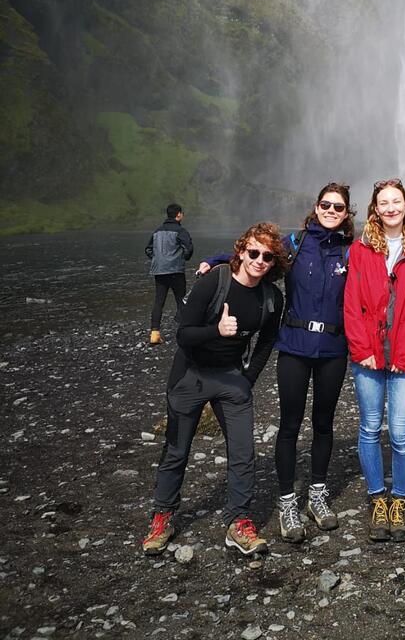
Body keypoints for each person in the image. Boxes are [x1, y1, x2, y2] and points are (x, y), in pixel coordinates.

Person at [197, 184, 354, 543]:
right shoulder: (294, 245)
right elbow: (254, 255)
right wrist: (219, 259)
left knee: (324, 423)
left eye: (339, 207)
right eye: (326, 204)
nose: (331, 210)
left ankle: (316, 494)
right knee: (289, 425)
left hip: (333, 347)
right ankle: (287, 501)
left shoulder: (351, 250)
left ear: (347, 214)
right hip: (295, 347)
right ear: (316, 207)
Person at [141, 223, 286, 557]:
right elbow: (183, 334)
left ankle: (238, 522)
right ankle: (163, 517)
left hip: (231, 378)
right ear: (241, 250)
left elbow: (266, 342)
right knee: (177, 449)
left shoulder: (271, 298)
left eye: (267, 256)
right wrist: (217, 331)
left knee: (243, 451)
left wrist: (247, 380)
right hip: (190, 374)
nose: (259, 260)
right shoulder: (215, 282)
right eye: (253, 252)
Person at [343, 179, 405, 542]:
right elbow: (351, 304)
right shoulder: (361, 250)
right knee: (368, 428)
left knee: (400, 432)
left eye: (396, 201)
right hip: (367, 355)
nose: (391, 208)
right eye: (384, 203)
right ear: (375, 209)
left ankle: (399, 499)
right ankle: (376, 498)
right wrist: (361, 349)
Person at [145, 202, 194, 345]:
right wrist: (183, 257)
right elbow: (189, 248)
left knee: (159, 302)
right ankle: (184, 332)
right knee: (181, 300)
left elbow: (148, 249)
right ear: (178, 214)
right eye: (182, 213)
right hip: (176, 270)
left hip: (159, 271)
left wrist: (158, 259)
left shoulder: (157, 231)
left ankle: (154, 333)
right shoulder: (181, 231)